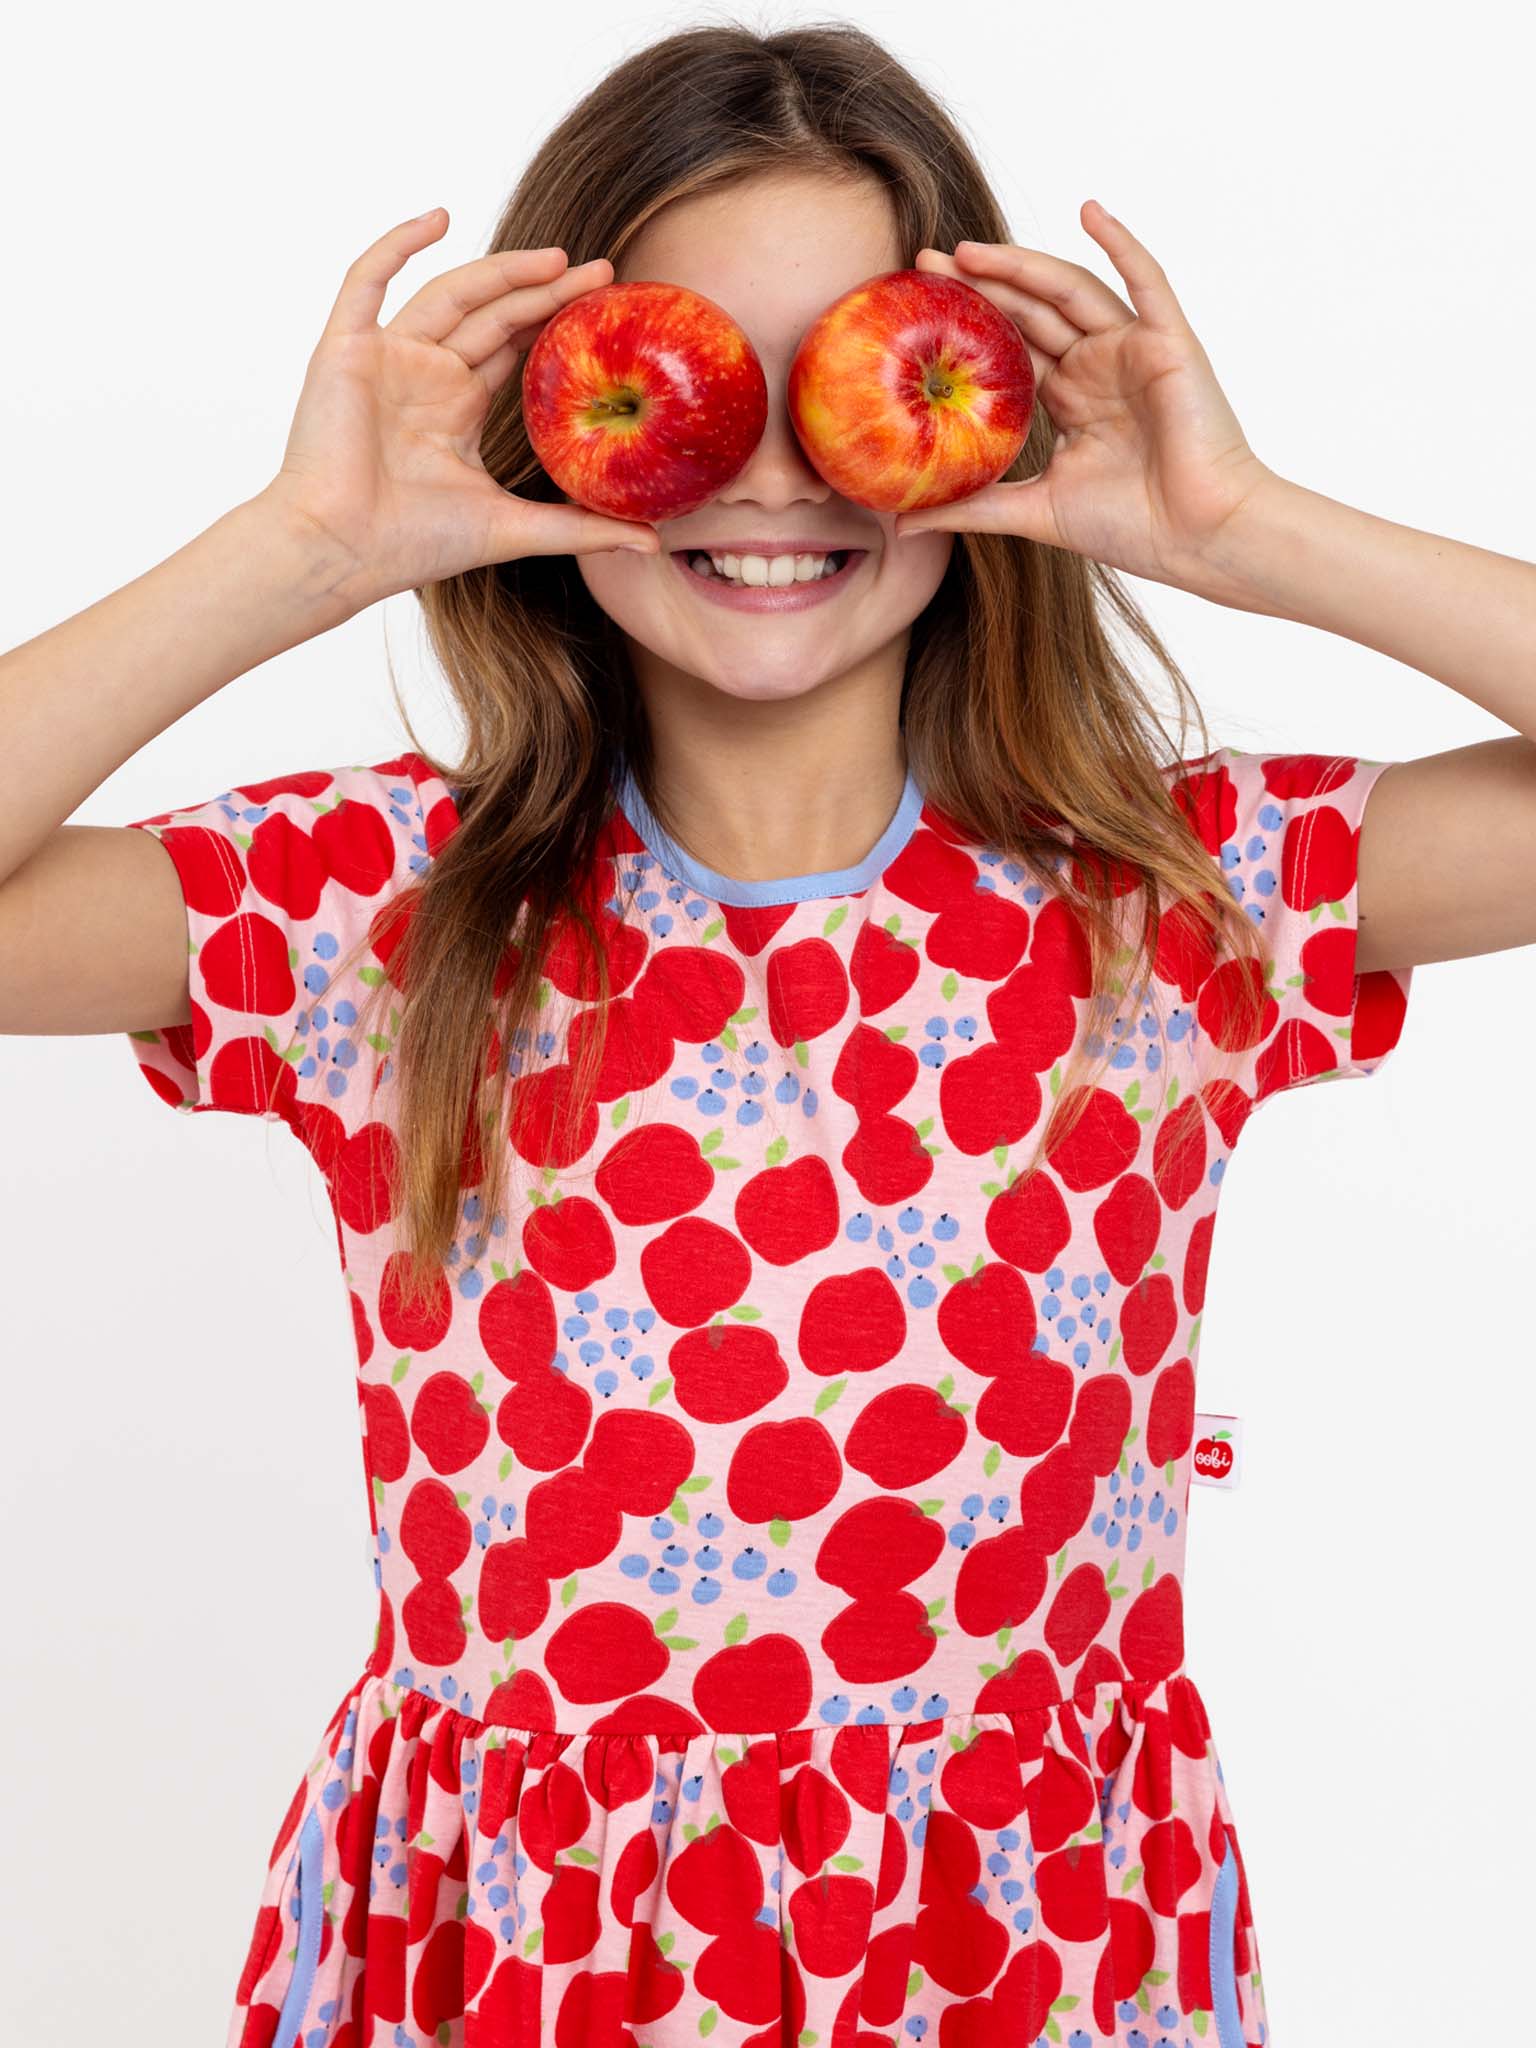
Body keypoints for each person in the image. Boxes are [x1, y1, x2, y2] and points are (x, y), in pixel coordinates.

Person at [3, 21, 1533, 2048]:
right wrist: (295, 552)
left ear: (979, 416)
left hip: (1028, 1966)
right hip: (527, 1971)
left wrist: (1249, 530)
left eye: (854, 373)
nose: (782, 471)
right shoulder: (379, 912)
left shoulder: (1172, 898)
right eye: (693, 378)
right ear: (560, 418)